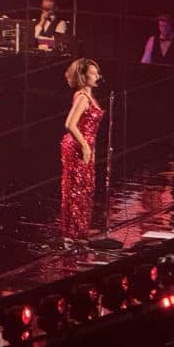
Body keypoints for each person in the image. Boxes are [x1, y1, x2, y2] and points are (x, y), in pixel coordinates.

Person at [60, 58, 105, 245]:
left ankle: (78, 231)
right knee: (76, 189)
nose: (97, 76)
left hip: (85, 146)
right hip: (77, 146)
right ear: (83, 76)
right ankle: (72, 233)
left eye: (97, 73)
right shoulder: (82, 98)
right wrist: (85, 146)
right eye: (92, 73)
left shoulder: (88, 96)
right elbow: (70, 124)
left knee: (84, 189)